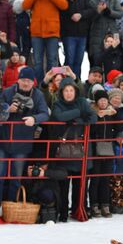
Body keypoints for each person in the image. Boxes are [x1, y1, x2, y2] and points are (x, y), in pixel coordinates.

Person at [0, 66, 49, 223]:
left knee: (16, 178)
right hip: (3, 141)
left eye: (29, 81)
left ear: (33, 82)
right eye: (23, 80)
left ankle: (11, 212)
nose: (25, 83)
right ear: (18, 80)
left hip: (22, 144)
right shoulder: (8, 92)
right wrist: (7, 109)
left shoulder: (38, 95)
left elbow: (45, 113)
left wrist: (34, 119)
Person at [50, 78, 96, 221]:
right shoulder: (58, 104)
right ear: (61, 92)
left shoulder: (82, 101)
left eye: (71, 90)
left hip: (81, 149)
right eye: (66, 90)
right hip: (64, 149)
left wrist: (79, 120)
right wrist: (78, 113)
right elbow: (59, 116)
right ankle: (63, 213)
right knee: (63, 184)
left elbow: (93, 117)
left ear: (75, 91)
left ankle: (78, 210)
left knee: (80, 184)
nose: (69, 93)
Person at [23, 0, 68, 83]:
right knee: (37, 61)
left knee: (52, 60)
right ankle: (39, 84)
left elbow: (64, 5)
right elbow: (25, 6)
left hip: (52, 32)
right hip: (37, 33)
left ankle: (51, 84)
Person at [88, 89, 123, 218]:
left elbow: (119, 127)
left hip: (108, 148)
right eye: (100, 100)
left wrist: (115, 114)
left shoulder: (111, 112)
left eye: (105, 100)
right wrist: (98, 117)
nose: (103, 102)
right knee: (95, 178)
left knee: (105, 178)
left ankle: (105, 204)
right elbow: (90, 130)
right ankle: (94, 205)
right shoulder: (92, 113)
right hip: (95, 149)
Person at [61, 0, 94, 78]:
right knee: (69, 61)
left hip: (82, 35)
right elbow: (63, 12)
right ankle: (66, 82)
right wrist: (70, 0)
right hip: (69, 35)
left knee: (78, 61)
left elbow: (91, 11)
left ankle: (77, 82)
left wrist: (81, 15)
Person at [87, 0, 122, 71]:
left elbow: (120, 14)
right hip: (97, 36)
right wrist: (98, 11)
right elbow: (89, 18)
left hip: (112, 34)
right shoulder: (92, 1)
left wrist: (109, 11)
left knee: (113, 61)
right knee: (97, 62)